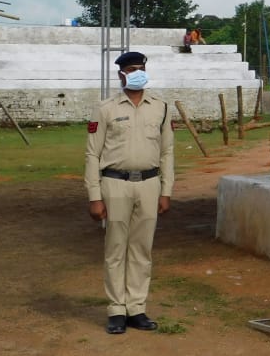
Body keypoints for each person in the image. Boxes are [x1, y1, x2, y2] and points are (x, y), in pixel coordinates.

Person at [84, 50, 174, 335]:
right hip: (115, 184)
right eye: (131, 68)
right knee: (115, 249)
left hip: (149, 184)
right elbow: (92, 154)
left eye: (141, 68)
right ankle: (116, 310)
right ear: (121, 73)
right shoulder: (106, 108)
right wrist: (94, 196)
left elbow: (167, 151)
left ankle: (136, 308)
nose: (137, 73)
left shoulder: (160, 107)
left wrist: (166, 190)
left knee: (141, 249)